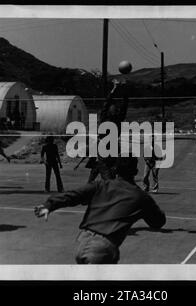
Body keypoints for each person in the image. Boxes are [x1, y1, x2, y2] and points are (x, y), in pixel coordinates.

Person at [34, 157, 166, 264]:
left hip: (82, 242)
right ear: (136, 172)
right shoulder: (141, 197)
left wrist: (49, 205)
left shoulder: (100, 185)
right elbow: (158, 222)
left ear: (115, 169)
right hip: (102, 248)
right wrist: (150, 207)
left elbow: (73, 195)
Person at [96, 79, 130, 180]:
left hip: (109, 147)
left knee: (110, 175)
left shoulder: (112, 118)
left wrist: (120, 89)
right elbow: (111, 103)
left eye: (115, 107)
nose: (115, 108)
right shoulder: (107, 118)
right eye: (114, 107)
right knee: (108, 175)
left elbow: (123, 105)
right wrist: (117, 89)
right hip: (107, 147)